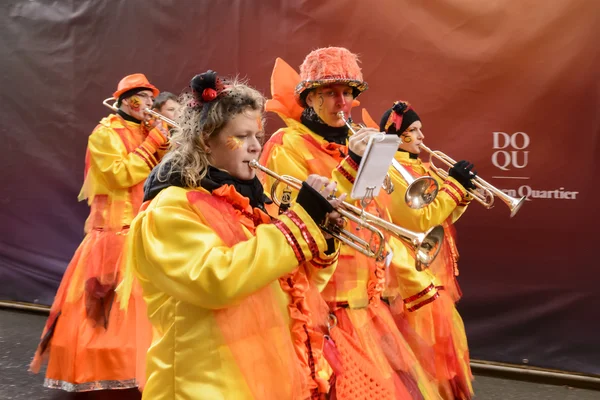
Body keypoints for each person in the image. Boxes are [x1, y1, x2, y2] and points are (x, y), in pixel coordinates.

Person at [123, 70, 344, 399]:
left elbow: (291, 288)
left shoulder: (253, 203)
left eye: (256, 135)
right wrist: (299, 226)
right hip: (201, 386)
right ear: (206, 140)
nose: (256, 147)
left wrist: (323, 240)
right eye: (241, 136)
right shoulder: (169, 209)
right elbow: (217, 281)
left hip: (262, 378)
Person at [261, 47, 441, 399]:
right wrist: (352, 165)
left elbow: (377, 206)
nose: (342, 101)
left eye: (348, 93)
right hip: (325, 301)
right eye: (330, 93)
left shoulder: (355, 140)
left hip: (365, 297)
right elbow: (296, 216)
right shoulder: (288, 144)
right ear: (310, 98)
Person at [30, 74, 169, 398]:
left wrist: (164, 143)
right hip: (112, 233)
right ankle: (105, 370)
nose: (149, 107)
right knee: (104, 307)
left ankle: (146, 369)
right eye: (144, 100)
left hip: (144, 228)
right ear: (126, 100)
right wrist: (153, 144)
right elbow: (118, 175)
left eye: (151, 101)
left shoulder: (147, 131)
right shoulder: (104, 134)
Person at [379, 100, 476, 399]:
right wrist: (453, 189)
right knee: (421, 350)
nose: (421, 136)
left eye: (420, 129)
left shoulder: (422, 166)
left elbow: (441, 218)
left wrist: (462, 194)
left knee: (443, 343)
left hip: (434, 265)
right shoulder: (389, 168)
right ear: (398, 136)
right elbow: (418, 219)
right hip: (411, 271)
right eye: (413, 130)